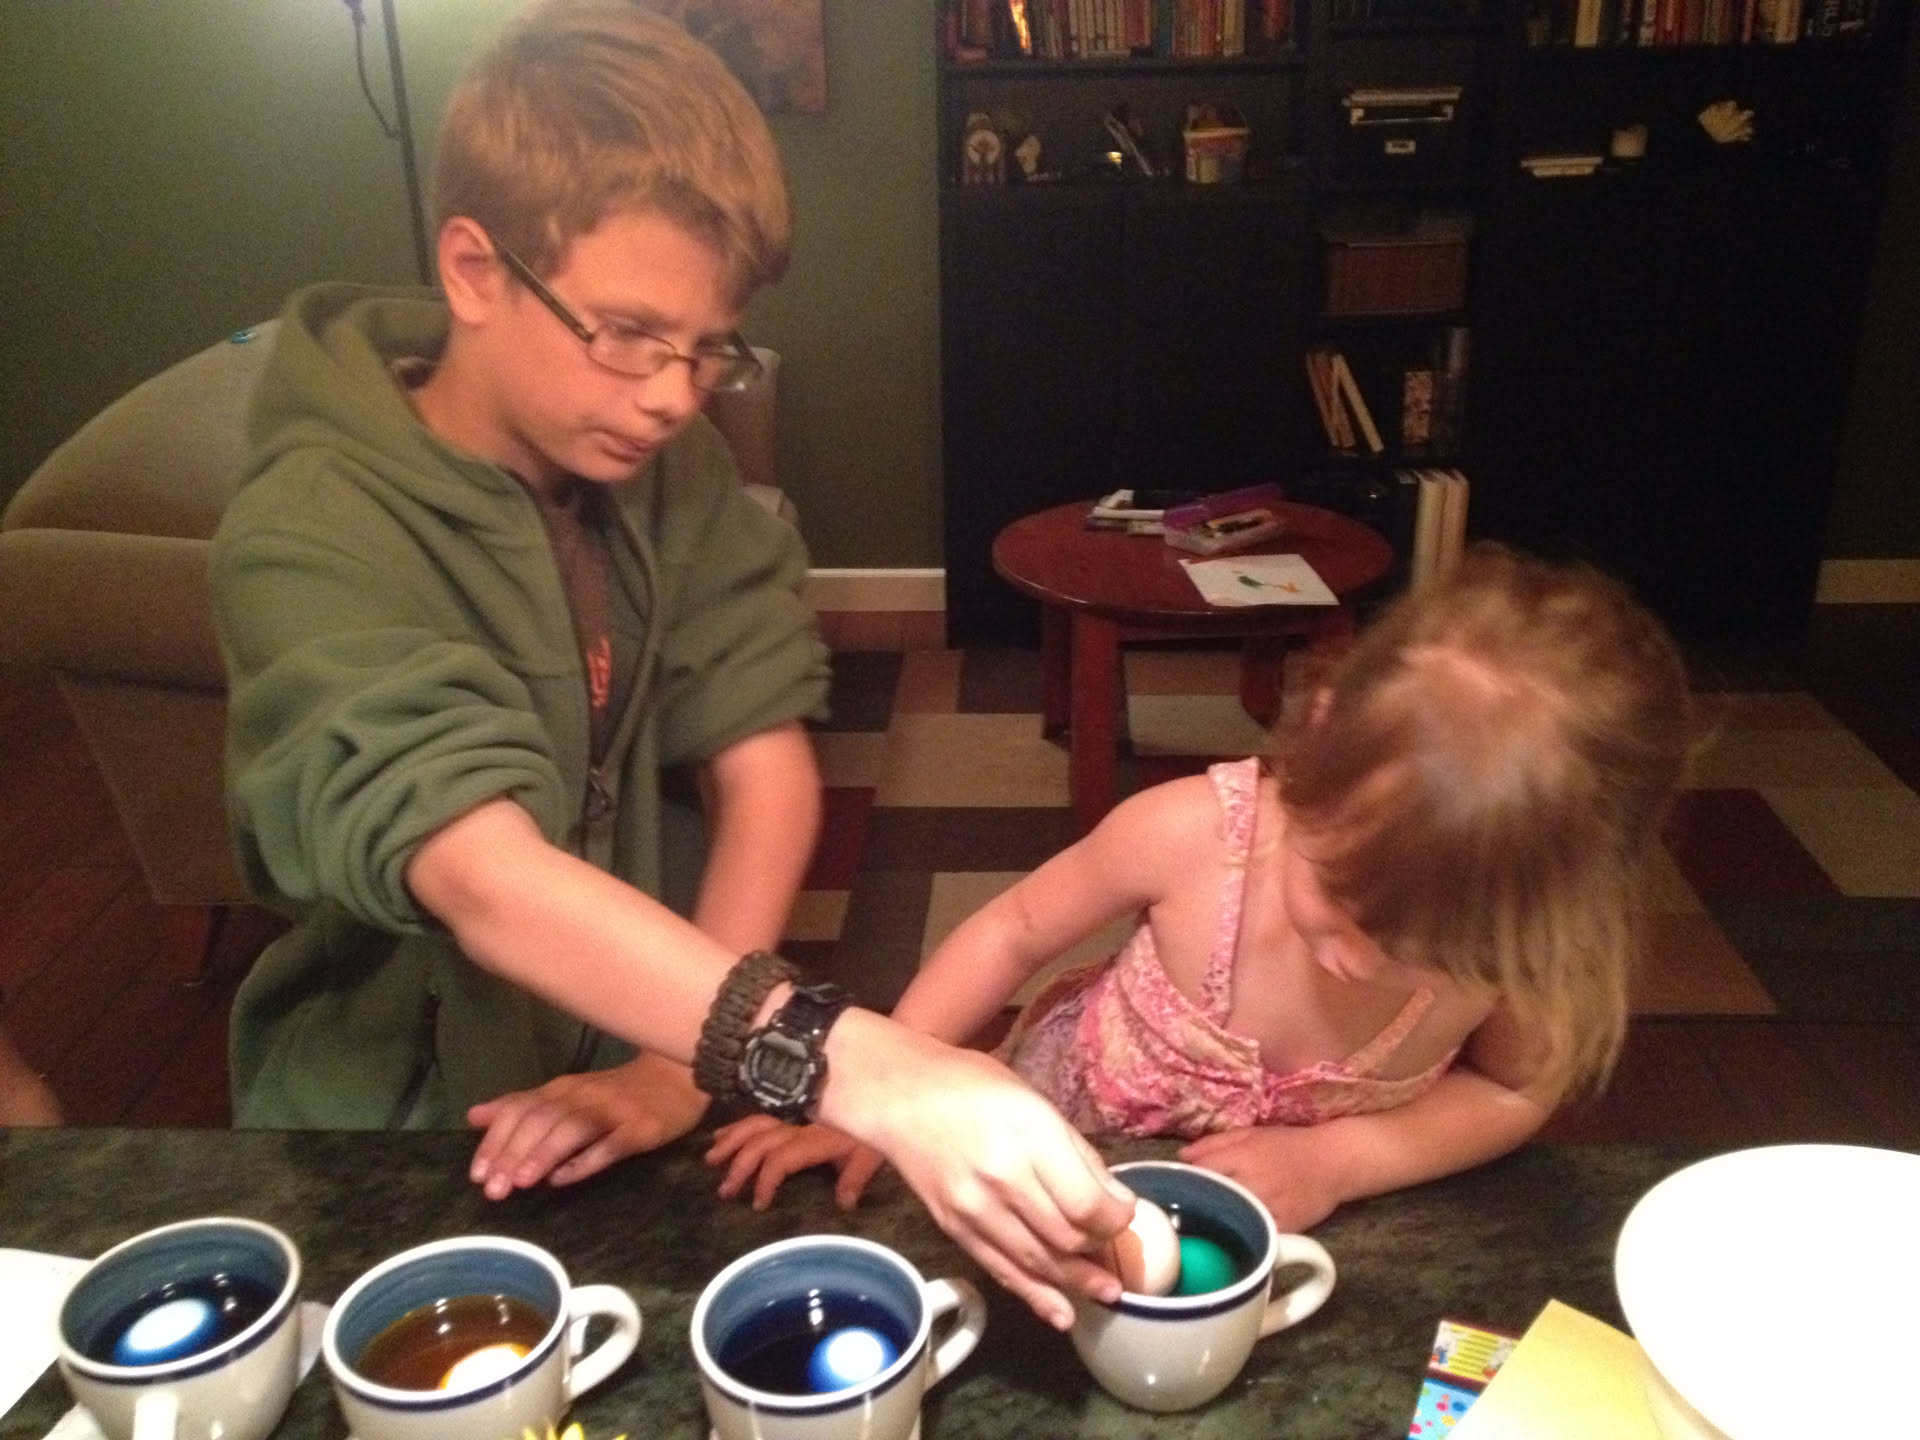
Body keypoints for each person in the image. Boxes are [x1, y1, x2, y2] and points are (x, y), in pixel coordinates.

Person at [209, 0, 1132, 1330]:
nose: (672, 395)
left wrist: (677, 1065)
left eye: (708, 349)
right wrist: (857, 1064)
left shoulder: (675, 468)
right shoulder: (309, 530)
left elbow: (766, 772)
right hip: (387, 1126)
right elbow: (479, 872)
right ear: (473, 270)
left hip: (653, 1064)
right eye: (629, 334)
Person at [709, 545, 1696, 1235]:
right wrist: (895, 1084)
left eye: (1427, 955)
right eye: (1344, 902)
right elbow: (1013, 931)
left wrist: (1339, 1162)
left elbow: (1515, 1091)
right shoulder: (1192, 836)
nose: (1360, 962)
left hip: (1308, 1221)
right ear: (1315, 744)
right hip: (1068, 1138)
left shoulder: (1517, 951)